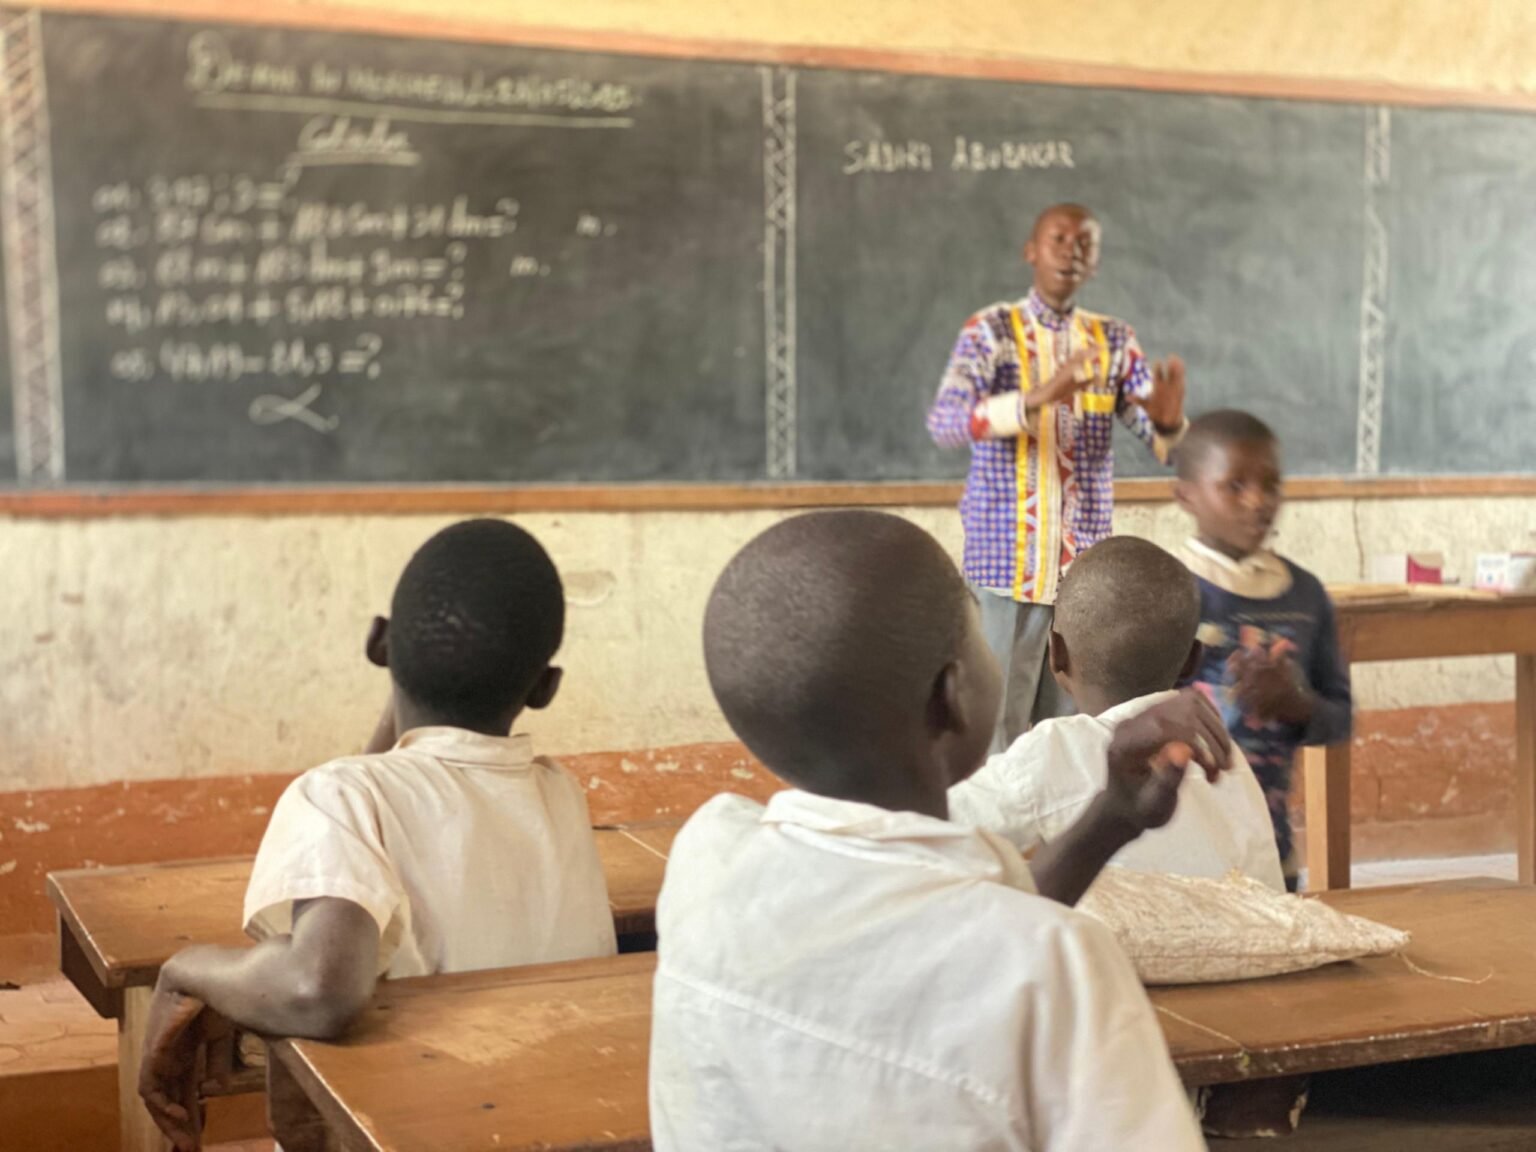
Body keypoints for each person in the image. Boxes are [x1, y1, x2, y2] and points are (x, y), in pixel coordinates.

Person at [650, 509, 1230, 1151]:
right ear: (951, 695)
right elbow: (984, 945)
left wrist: (1107, 822)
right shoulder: (1061, 967)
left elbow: (939, 917)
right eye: (979, 637)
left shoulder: (705, 859)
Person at [138, 519, 617, 1151]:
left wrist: (183, 968)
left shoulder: (339, 796)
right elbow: (392, 784)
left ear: (379, 643)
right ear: (546, 687)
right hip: (555, 1123)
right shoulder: (558, 793)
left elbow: (317, 991)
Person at [928, 202, 1190, 752]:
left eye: (1084, 243)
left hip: (1083, 579)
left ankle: (1065, 839)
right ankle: (997, 840)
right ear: (1031, 251)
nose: (1071, 249)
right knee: (992, 732)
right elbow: (946, 422)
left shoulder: (1114, 342)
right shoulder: (992, 332)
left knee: (1074, 736)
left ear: (1094, 263)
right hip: (1005, 568)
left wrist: (1167, 422)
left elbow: (1164, 443)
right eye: (1058, 238)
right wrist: (1039, 396)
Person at [950, 535, 1285, 891]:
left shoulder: (1055, 752)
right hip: (1259, 942)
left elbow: (927, 832)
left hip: (1120, 947)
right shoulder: (1222, 753)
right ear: (1193, 660)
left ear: (1056, 655)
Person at [1174, 410, 1353, 891]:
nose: (1258, 501)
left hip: (1270, 855)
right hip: (1178, 860)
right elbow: (1123, 720)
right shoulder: (1166, 591)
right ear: (1186, 494)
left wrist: (1297, 703)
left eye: (1271, 484)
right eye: (1234, 485)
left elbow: (1340, 718)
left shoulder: (1305, 596)